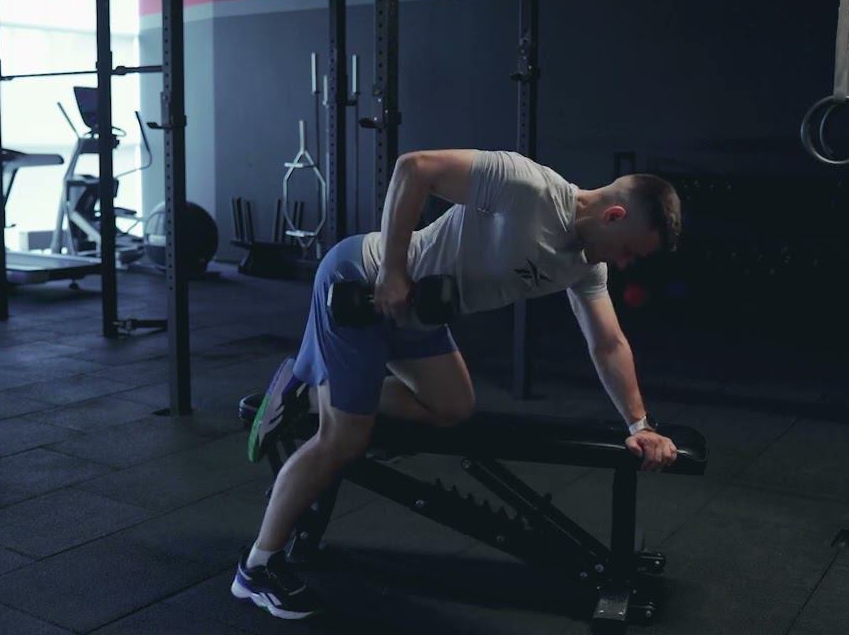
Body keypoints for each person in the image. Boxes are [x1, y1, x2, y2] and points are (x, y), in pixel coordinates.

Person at [231, 149, 684, 619]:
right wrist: (392, 270)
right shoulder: (529, 187)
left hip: (418, 312)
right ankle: (256, 569)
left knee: (451, 406)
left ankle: (310, 394)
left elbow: (608, 343)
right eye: (629, 251)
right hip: (361, 281)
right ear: (614, 216)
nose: (624, 264)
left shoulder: (587, 267)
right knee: (344, 438)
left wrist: (640, 425)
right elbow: (414, 168)